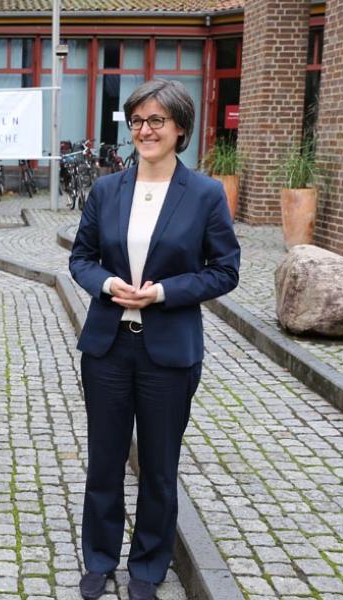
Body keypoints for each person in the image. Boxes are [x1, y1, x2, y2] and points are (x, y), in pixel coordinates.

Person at [68, 79, 240, 600]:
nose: (145, 130)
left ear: (179, 129)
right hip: (108, 348)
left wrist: (164, 291)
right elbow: (81, 258)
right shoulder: (107, 190)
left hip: (169, 351)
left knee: (160, 467)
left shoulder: (205, 193)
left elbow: (224, 271)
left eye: (157, 121)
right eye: (138, 121)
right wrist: (105, 283)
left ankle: (147, 565)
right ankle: (99, 558)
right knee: (103, 460)